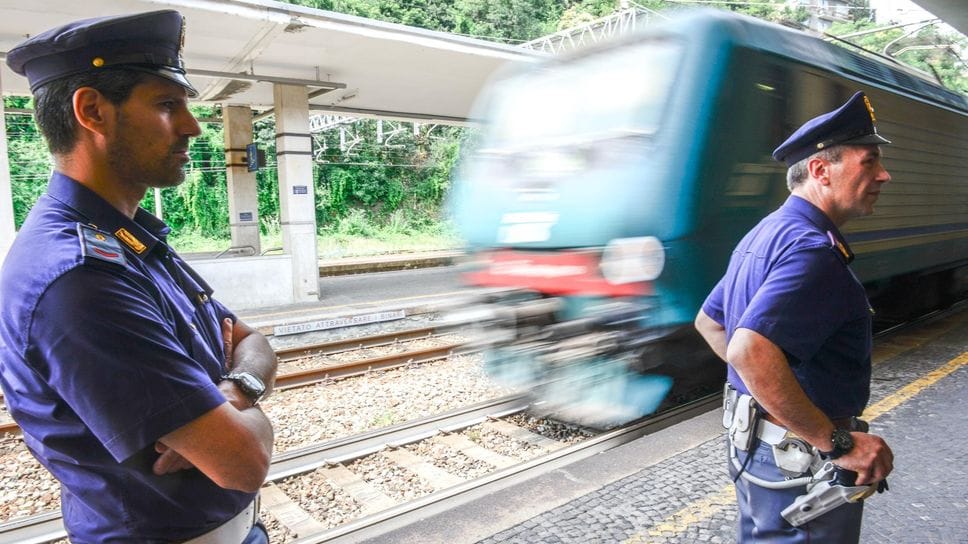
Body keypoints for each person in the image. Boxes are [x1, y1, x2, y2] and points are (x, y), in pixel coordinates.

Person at [0, 10, 277, 543]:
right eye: (168, 104)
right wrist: (244, 413)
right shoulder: (79, 279)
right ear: (92, 111)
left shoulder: (127, 240)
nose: (193, 126)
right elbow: (243, 461)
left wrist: (235, 391)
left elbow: (253, 340)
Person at [694, 91, 895, 543]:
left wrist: (765, 396)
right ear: (822, 170)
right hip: (799, 461)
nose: (884, 174)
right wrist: (834, 441)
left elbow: (711, 322)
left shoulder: (767, 233)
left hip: (755, 449)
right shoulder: (811, 250)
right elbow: (749, 350)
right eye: (869, 161)